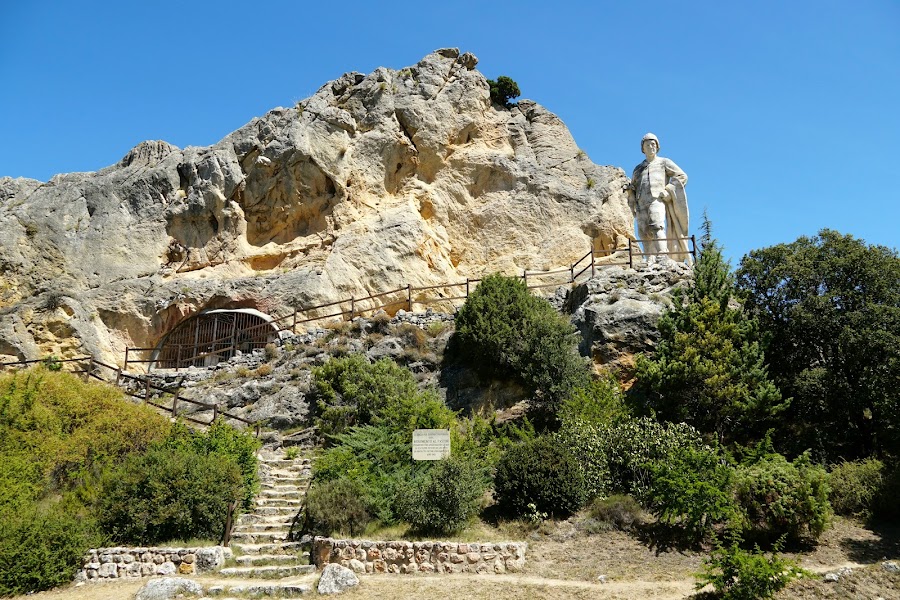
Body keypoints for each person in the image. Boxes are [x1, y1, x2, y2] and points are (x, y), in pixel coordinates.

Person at [629, 133, 691, 263]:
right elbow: (633, 185)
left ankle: (663, 254)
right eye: (647, 145)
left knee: (657, 225)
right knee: (643, 230)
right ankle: (649, 258)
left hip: (657, 199)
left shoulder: (664, 162)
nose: (651, 147)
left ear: (657, 147)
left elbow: (682, 175)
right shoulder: (638, 169)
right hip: (641, 202)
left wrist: (668, 189)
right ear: (643, 148)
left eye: (653, 144)